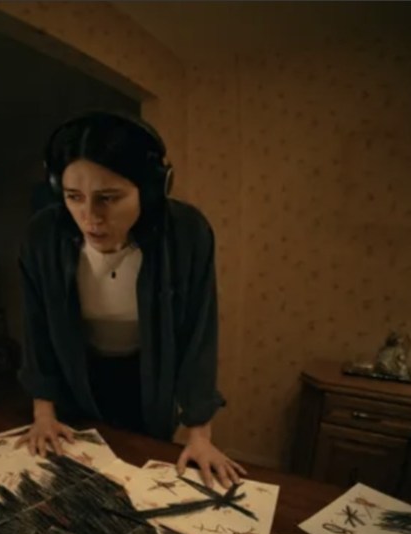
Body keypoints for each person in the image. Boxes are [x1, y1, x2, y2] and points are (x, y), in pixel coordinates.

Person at [15, 110, 245, 489]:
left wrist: (200, 435)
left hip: (147, 376)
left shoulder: (186, 233)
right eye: (74, 197)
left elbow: (197, 334)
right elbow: (37, 327)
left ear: (151, 190)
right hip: (76, 375)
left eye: (108, 198)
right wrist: (43, 414)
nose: (90, 216)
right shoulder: (43, 236)